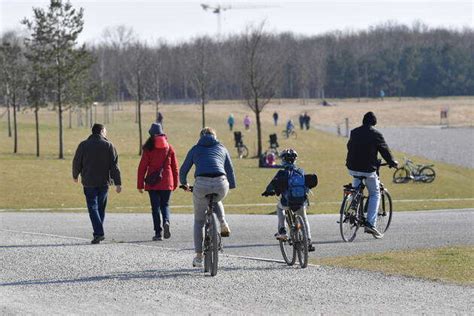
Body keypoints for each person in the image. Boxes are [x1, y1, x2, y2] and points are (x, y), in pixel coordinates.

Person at [180, 127, 236, 267]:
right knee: (217, 199)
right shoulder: (222, 147)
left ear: (200, 136)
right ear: (215, 136)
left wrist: (185, 184)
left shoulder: (195, 148)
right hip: (221, 183)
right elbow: (230, 169)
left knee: (199, 221)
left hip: (201, 184)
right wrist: (232, 185)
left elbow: (183, 170)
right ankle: (223, 221)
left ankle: (199, 256)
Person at [346, 111, 398, 239]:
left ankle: (353, 208)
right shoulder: (376, 134)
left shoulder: (354, 132)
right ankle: (370, 223)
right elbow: (384, 150)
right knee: (375, 193)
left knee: (356, 188)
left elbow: (349, 146)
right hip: (368, 170)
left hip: (352, 168)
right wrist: (392, 162)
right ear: (374, 122)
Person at [72, 123, 122, 244]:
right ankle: (98, 233)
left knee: (92, 208)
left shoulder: (83, 145)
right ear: (101, 131)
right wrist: (118, 183)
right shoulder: (109, 145)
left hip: (88, 182)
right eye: (105, 131)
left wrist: (75, 175)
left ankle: (98, 233)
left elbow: (77, 161)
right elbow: (114, 166)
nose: (106, 133)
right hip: (104, 182)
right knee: (100, 208)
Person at [261, 149, 315, 252]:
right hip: (301, 202)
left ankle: (283, 231)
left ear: (283, 160)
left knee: (279, 208)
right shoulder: (300, 172)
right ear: (295, 160)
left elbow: (271, 185)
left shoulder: (282, 173)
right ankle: (308, 240)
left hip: (287, 202)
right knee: (304, 218)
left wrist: (267, 192)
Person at [137, 123, 179, 241]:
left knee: (155, 208)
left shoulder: (148, 148)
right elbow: (175, 168)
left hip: (152, 183)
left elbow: (142, 167)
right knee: (165, 205)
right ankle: (166, 221)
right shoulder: (169, 148)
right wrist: (175, 183)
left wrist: (140, 184)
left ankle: (158, 233)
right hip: (167, 181)